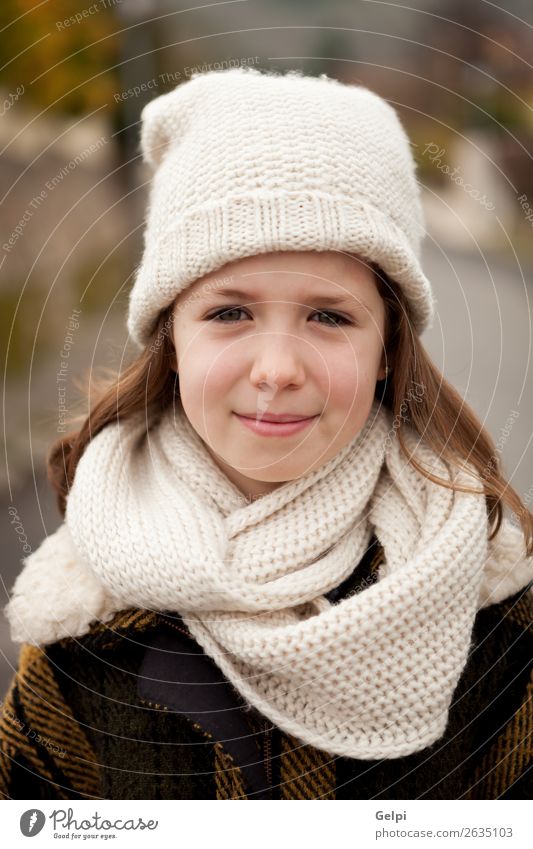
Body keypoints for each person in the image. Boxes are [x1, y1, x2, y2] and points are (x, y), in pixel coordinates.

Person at [1, 67, 531, 801]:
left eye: (329, 315)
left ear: (387, 348)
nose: (277, 368)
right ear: (171, 337)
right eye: (229, 313)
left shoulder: (494, 610)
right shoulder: (82, 628)